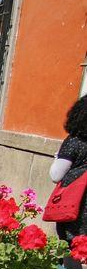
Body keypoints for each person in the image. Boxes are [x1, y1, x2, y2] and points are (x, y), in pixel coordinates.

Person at [49, 95, 87, 245]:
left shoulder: (74, 142)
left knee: (71, 249)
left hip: (75, 209)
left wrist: (57, 156)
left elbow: (56, 175)